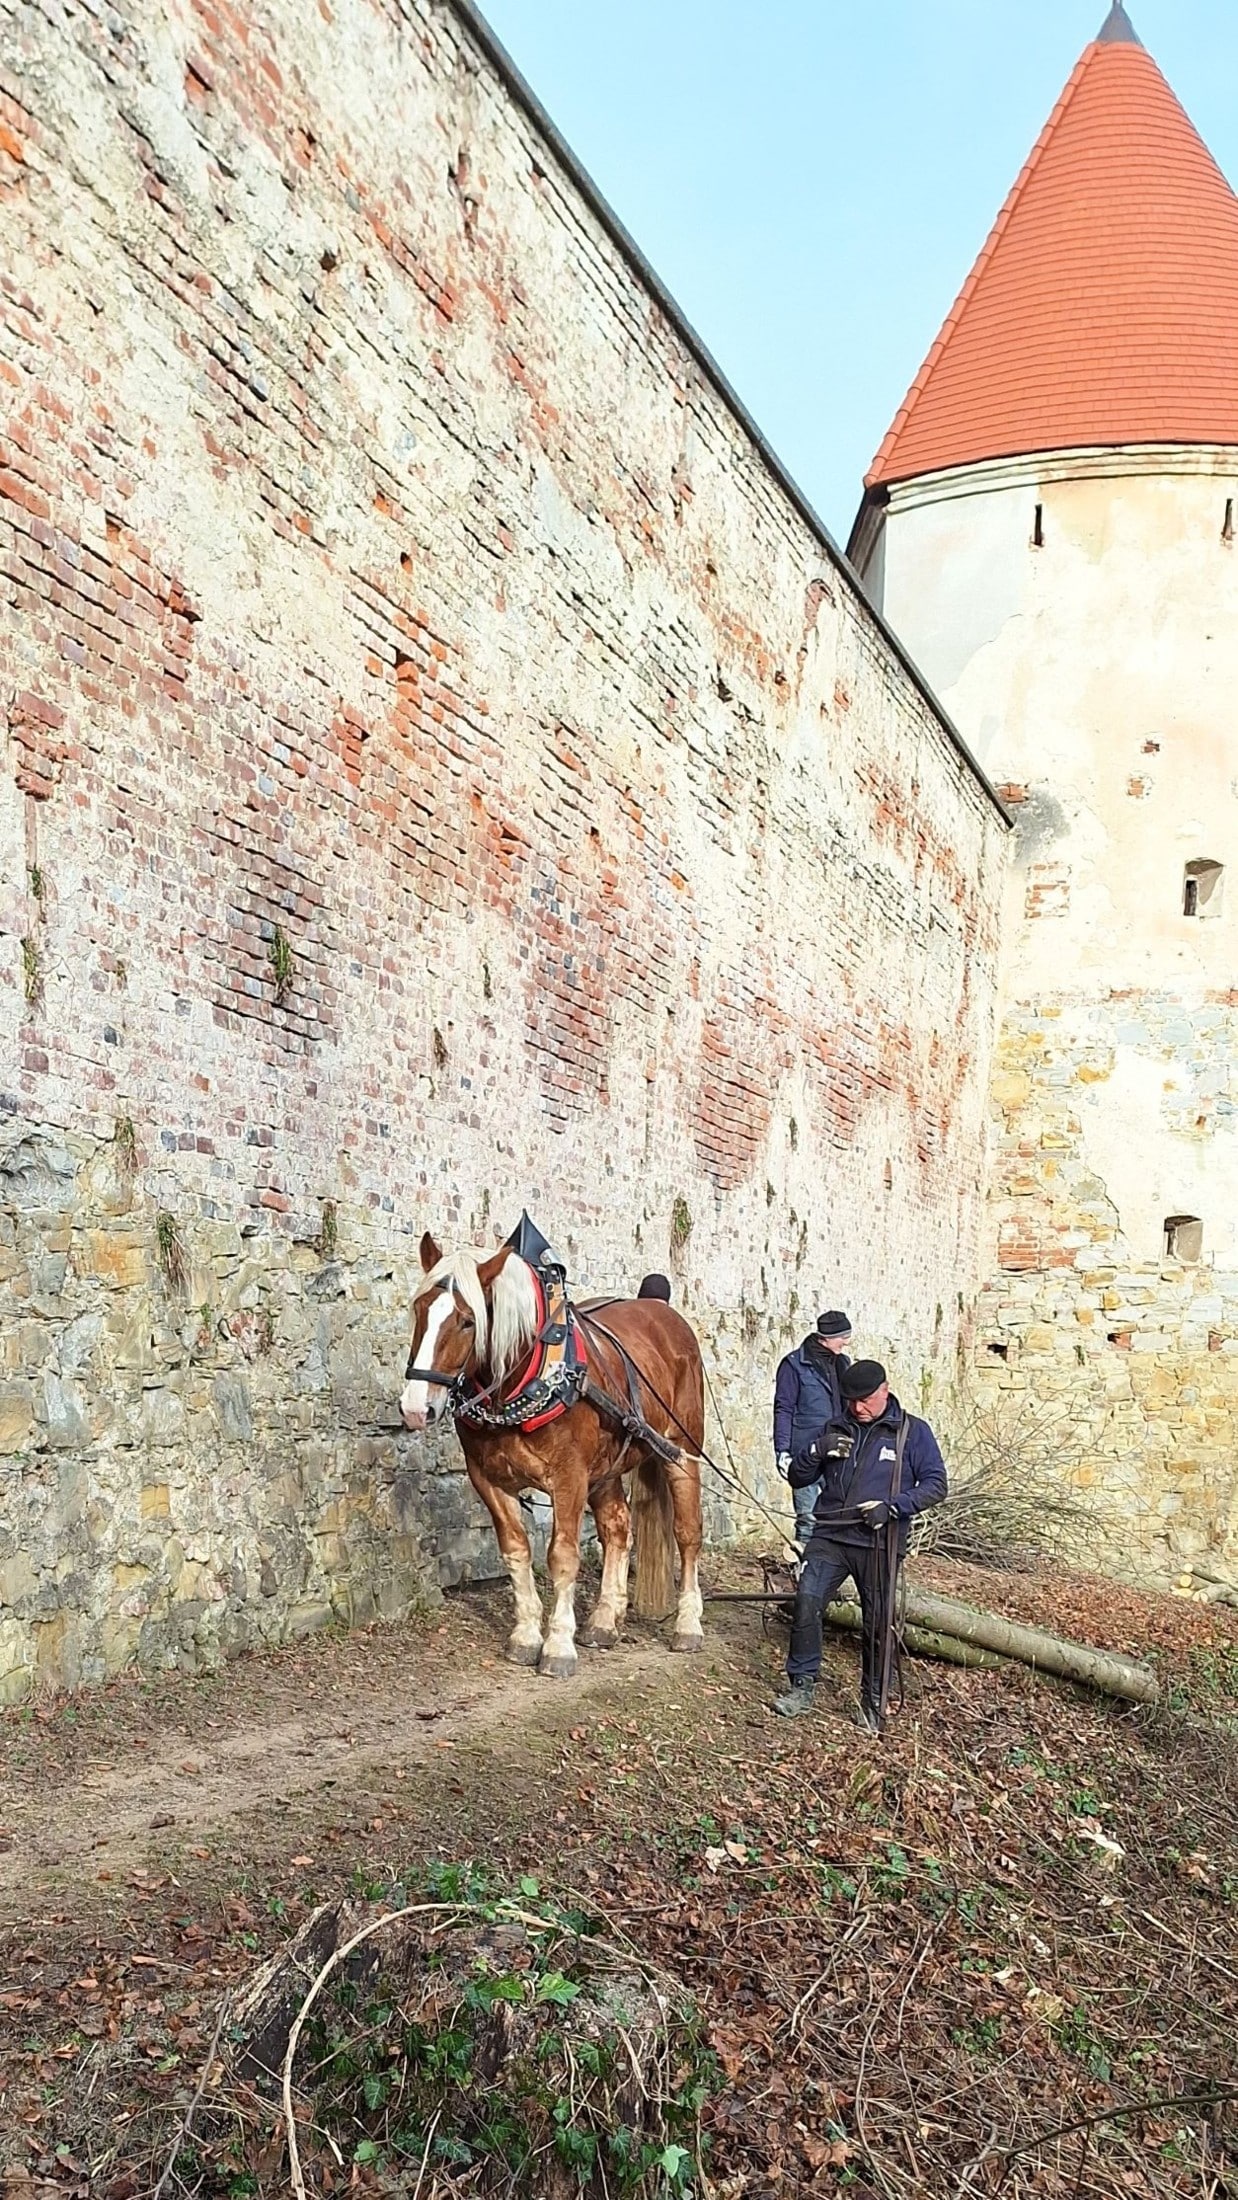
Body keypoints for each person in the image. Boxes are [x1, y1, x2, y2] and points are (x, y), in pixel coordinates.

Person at [772, 1360, 947, 1734]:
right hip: (831, 1536)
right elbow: (799, 1476)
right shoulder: (836, 1427)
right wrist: (817, 1450)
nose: (858, 1408)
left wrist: (893, 1507)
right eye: (851, 1401)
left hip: (880, 1542)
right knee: (807, 1598)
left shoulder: (911, 1433)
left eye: (865, 1400)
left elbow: (936, 1484)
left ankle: (873, 1701)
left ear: (885, 1390)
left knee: (878, 1621)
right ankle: (801, 1686)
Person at [772, 1311, 852, 1545]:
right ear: (826, 1337)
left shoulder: (843, 1364)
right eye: (843, 1336)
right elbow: (783, 1408)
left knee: (836, 1517)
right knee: (807, 1519)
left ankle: (827, 1571)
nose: (846, 1342)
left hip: (838, 1451)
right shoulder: (794, 1365)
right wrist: (783, 1451)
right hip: (805, 1453)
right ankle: (804, 1572)